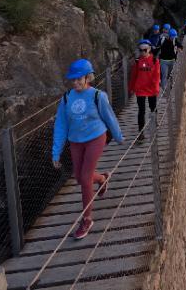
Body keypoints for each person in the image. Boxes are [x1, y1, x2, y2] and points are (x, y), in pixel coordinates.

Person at [52, 59, 124, 240]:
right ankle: (102, 178)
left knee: (84, 178)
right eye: (73, 80)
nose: (75, 83)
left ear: (87, 77)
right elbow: (61, 125)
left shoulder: (97, 95)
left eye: (79, 79)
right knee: (79, 176)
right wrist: (56, 151)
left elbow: (109, 117)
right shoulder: (67, 98)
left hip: (96, 138)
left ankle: (86, 219)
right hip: (76, 141)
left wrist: (118, 136)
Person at [129, 40, 160, 131]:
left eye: (144, 50)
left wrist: (156, 88)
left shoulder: (155, 61)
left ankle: (154, 122)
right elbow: (133, 76)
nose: (142, 52)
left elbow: (157, 75)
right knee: (141, 111)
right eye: (140, 50)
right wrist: (131, 88)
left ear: (149, 49)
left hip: (151, 88)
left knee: (153, 107)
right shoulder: (138, 61)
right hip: (140, 89)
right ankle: (140, 131)